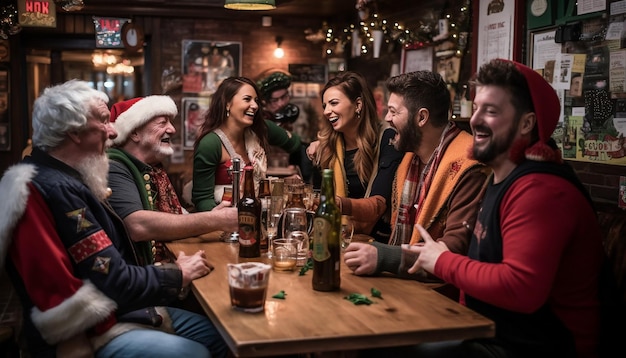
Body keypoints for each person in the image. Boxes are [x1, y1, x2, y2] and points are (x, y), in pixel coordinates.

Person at [0, 80, 227, 357]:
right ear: (74, 132)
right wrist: (178, 273)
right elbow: (113, 277)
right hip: (92, 327)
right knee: (196, 352)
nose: (113, 130)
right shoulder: (60, 189)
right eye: (104, 121)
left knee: (219, 336)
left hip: (116, 306)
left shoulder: (65, 176)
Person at [405, 59, 605, 357]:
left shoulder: (540, 190)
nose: (475, 120)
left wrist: (442, 261)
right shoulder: (502, 179)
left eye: (491, 111)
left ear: (526, 123)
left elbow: (521, 288)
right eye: (476, 108)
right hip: (499, 333)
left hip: (545, 347)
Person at [342, 71, 489, 283]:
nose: (387, 118)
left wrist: (383, 256)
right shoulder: (410, 159)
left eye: (393, 111)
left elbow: (454, 249)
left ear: (421, 117)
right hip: (407, 285)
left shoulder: (470, 165)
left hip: (445, 298)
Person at [106, 95, 238, 265]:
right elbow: (137, 226)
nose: (172, 129)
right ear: (134, 133)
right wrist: (217, 220)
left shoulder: (153, 167)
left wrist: (212, 216)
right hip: (140, 280)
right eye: (162, 123)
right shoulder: (115, 166)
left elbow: (176, 218)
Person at [309, 71, 404, 243]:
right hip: (334, 238)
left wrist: (337, 204)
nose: (326, 111)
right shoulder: (325, 148)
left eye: (334, 103)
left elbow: (378, 206)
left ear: (358, 104)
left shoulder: (388, 140)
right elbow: (317, 199)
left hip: (376, 242)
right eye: (325, 106)